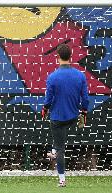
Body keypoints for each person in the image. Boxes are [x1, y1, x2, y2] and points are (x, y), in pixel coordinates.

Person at [41, 44, 89, 187]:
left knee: (60, 147)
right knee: (58, 142)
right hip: (73, 117)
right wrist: (84, 112)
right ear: (71, 57)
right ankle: (54, 150)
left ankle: (62, 179)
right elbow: (85, 99)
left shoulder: (52, 77)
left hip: (57, 119)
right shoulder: (80, 75)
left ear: (57, 57)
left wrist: (44, 109)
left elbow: (48, 100)